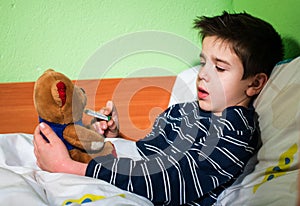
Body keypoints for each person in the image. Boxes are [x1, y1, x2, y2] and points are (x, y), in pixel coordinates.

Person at [33, 11, 283, 205]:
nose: (203, 75)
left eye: (219, 68)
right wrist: (117, 138)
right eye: (203, 62)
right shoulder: (188, 111)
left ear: (255, 83)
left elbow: (172, 181)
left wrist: (71, 168)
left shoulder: (234, 132)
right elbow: (150, 154)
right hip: (128, 178)